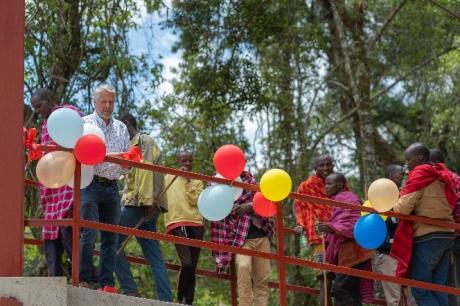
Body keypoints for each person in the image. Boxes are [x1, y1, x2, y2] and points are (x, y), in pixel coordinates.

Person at [114, 113, 172, 301]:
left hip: (141, 204)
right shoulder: (131, 146)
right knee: (153, 254)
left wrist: (147, 202)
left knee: (112, 240)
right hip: (143, 204)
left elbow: (147, 172)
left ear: (127, 124)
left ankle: (129, 288)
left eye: (121, 128)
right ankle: (165, 298)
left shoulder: (143, 141)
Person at [391, 143, 456, 306]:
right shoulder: (441, 173)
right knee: (439, 286)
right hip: (447, 234)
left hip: (427, 236)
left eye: (408, 159)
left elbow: (403, 208)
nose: (407, 165)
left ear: (419, 157)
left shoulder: (419, 173)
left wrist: (395, 204)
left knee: (420, 288)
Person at [79, 84, 130, 290]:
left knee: (111, 238)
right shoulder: (84, 124)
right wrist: (114, 157)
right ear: (94, 102)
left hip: (112, 187)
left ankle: (106, 283)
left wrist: (127, 163)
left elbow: (126, 160)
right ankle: (85, 279)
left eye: (111, 102)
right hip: (90, 184)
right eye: (103, 101)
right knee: (89, 234)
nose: (107, 106)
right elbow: (84, 155)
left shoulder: (121, 127)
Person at [211, 171, 275, 306]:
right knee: (243, 268)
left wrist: (250, 207)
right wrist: (231, 210)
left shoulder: (250, 181)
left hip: (261, 236)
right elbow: (216, 215)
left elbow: (267, 200)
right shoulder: (218, 183)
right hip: (240, 240)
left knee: (262, 280)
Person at [30, 88, 75, 277]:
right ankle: (53, 280)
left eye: (39, 106)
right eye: (35, 108)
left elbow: (76, 133)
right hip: (51, 192)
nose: (38, 111)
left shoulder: (67, 112)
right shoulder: (45, 124)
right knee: (50, 239)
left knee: (68, 231)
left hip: (67, 189)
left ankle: (84, 278)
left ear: (49, 100)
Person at [316, 172, 375, 306]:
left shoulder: (349, 198)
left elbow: (354, 224)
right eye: (325, 184)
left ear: (340, 184)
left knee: (340, 288)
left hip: (355, 251)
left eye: (329, 184)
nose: (326, 187)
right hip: (348, 251)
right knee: (351, 290)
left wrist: (331, 227)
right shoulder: (338, 199)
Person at [293, 154, 335, 305]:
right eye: (321, 165)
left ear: (333, 166)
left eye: (328, 165)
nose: (325, 168)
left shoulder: (339, 182)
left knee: (343, 279)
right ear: (314, 168)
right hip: (319, 237)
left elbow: (347, 201)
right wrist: (300, 224)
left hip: (339, 234)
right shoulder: (306, 186)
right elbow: (300, 207)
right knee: (324, 279)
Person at [164, 152, 204, 305]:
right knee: (186, 263)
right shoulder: (168, 177)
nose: (187, 163)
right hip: (177, 222)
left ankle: (189, 301)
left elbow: (196, 201)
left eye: (190, 161)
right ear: (177, 161)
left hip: (195, 223)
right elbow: (160, 198)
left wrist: (188, 182)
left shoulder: (198, 180)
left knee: (192, 266)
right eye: (184, 160)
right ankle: (179, 298)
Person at [372, 165, 416, 306]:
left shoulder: (405, 196)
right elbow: (379, 226)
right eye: (400, 174)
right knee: (394, 298)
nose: (403, 176)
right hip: (387, 253)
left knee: (411, 297)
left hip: (406, 251)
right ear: (390, 176)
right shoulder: (378, 199)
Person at [430, 148, 460, 306]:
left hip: (452, 236)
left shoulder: (440, 179)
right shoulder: (455, 177)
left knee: (451, 281)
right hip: (452, 234)